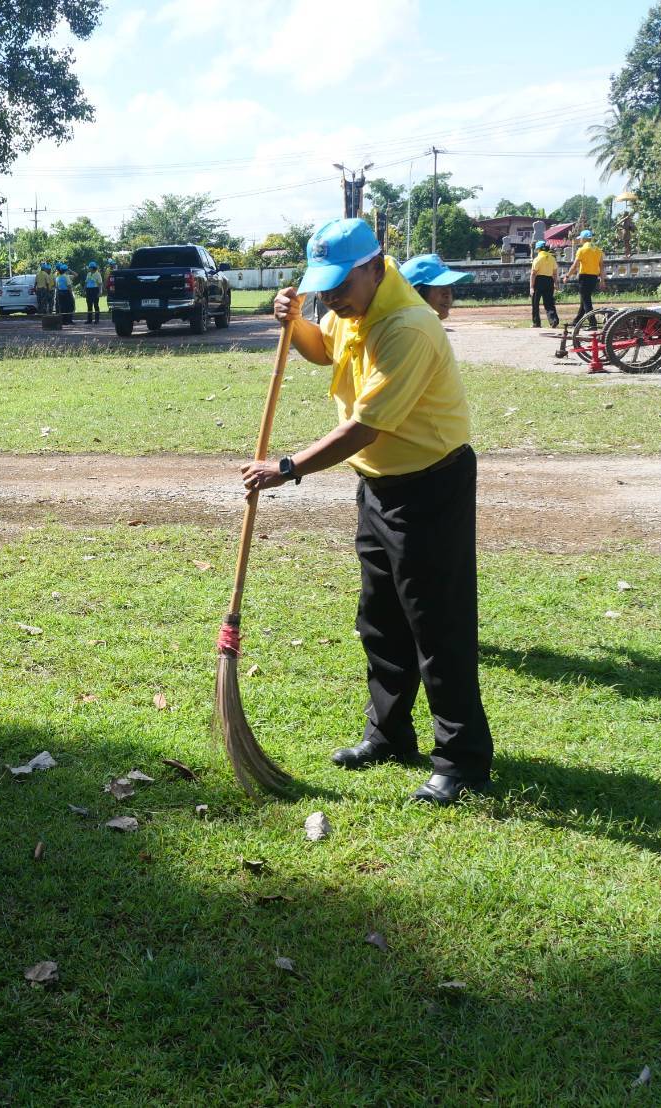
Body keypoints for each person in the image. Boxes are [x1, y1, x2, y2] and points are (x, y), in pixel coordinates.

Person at [240, 218, 492, 806]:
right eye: (322, 288)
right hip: (378, 485)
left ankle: (462, 761)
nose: (331, 298)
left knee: (438, 626)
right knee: (381, 619)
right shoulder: (352, 307)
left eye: (339, 286)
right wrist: (296, 323)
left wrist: (287, 467)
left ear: (375, 267)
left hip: (430, 487)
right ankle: (389, 734)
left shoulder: (408, 326)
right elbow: (323, 350)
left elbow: (365, 427)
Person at [398, 253, 472, 321]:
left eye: (449, 285)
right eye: (439, 285)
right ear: (416, 293)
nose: (447, 294)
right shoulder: (408, 329)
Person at [563, 229, 605, 324]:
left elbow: (575, 265)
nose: (580, 240)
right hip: (594, 278)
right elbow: (602, 266)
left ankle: (593, 323)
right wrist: (602, 280)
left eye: (581, 238)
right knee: (584, 300)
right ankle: (576, 321)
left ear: (584, 239)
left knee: (586, 302)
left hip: (584, 278)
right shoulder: (598, 250)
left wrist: (567, 276)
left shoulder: (582, 250)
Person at [529, 241, 560, 329]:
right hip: (549, 281)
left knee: (535, 303)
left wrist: (531, 287)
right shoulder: (552, 258)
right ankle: (553, 320)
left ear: (538, 249)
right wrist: (556, 283)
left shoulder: (537, 259)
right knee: (549, 303)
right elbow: (555, 273)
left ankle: (536, 323)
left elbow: (533, 274)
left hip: (538, 281)